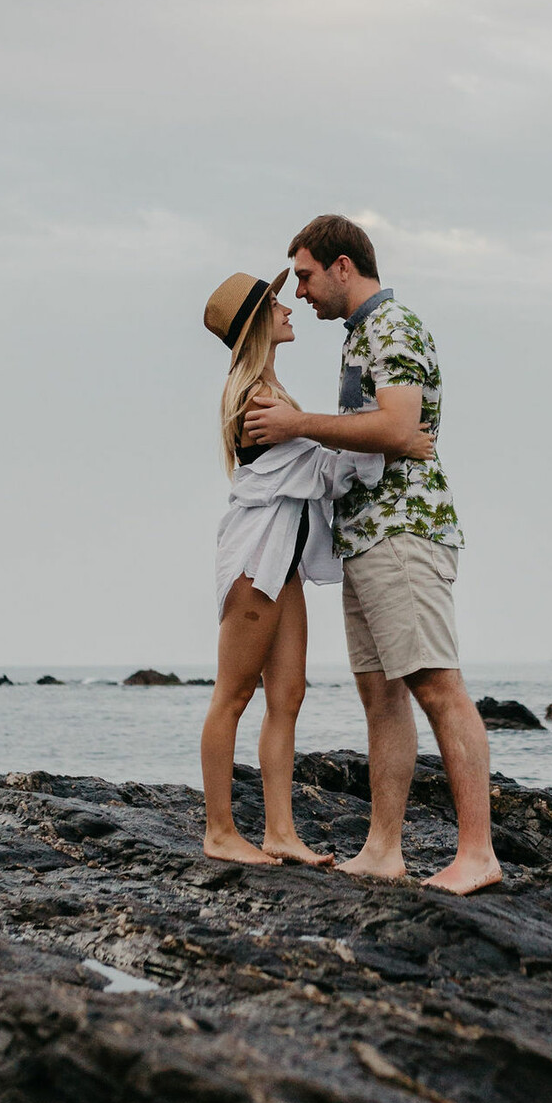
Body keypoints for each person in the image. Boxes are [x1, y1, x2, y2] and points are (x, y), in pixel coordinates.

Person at [242, 215, 500, 895]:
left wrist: (298, 425)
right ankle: (385, 848)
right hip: (366, 534)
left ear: (343, 266)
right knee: (380, 695)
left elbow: (395, 425)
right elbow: (378, 436)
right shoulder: (363, 335)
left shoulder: (393, 327)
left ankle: (477, 852)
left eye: (304, 275)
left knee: (437, 684)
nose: (299, 293)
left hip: (404, 531)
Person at [199, 267, 420, 869]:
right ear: (256, 325)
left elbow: (318, 463)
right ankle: (220, 831)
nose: (289, 305)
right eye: (277, 301)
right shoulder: (255, 398)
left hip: (284, 562)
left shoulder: (277, 394)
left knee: (287, 694)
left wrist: (367, 441)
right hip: (255, 562)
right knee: (234, 694)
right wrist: (395, 441)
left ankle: (279, 833)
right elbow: (321, 470)